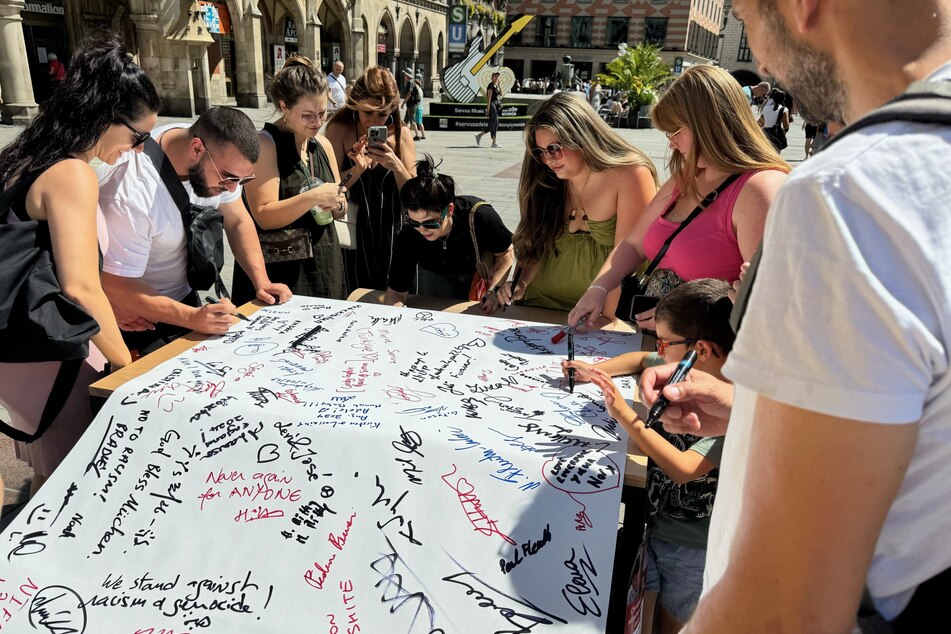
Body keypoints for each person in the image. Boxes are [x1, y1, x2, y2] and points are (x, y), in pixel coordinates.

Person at [639, 0, 951, 631]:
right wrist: (754, 413)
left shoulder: (848, 197)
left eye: (743, 12)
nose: (754, 47)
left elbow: (783, 610)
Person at [0, 37, 159, 492]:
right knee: (72, 480)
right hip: (53, 351)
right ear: (103, 117)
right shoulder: (72, 174)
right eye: (137, 136)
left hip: (21, 343)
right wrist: (126, 364)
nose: (138, 150)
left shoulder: (27, 158)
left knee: (48, 468)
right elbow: (81, 288)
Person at [568, 279, 735, 634]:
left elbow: (685, 469)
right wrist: (596, 371)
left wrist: (627, 418)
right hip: (656, 523)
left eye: (664, 342)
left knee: (674, 620)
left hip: (692, 546)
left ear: (700, 349)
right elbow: (643, 358)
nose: (659, 349)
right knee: (641, 609)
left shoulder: (734, 406)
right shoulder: (686, 366)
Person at [569, 65, 789, 330]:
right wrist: (599, 287)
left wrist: (682, 316)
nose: (671, 143)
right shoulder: (688, 174)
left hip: (703, 358)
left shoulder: (759, 189)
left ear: (709, 125)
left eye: (675, 131)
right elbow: (634, 244)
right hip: (660, 345)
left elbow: (766, 305)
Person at [97, 106, 292, 357]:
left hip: (186, 300)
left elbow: (238, 220)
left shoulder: (221, 159)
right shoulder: (131, 191)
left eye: (241, 181)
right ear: (197, 148)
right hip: (136, 315)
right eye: (228, 178)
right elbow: (117, 282)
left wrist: (261, 281)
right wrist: (193, 318)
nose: (231, 188)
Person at [497, 91, 657, 315]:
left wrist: (606, 323)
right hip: (539, 305)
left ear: (581, 137)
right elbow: (538, 241)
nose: (548, 159)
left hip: (595, 314)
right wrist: (520, 284)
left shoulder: (630, 174)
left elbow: (628, 256)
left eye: (554, 148)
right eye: (540, 152)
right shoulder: (547, 179)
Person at [231, 56, 348, 305]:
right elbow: (263, 214)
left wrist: (337, 204)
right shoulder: (264, 145)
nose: (317, 122)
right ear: (284, 106)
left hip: (323, 262)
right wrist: (315, 197)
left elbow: (341, 202)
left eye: (322, 113)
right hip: (281, 272)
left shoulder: (322, 144)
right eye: (307, 115)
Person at [325, 66, 417, 291]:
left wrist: (395, 165)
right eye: (368, 112)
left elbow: (415, 195)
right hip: (355, 231)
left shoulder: (401, 134)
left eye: (383, 114)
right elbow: (332, 190)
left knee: (396, 297)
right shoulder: (339, 130)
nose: (374, 121)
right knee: (356, 292)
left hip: (394, 230)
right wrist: (356, 168)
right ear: (355, 106)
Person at [383, 155, 513, 313]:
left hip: (475, 277)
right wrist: (396, 311)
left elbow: (506, 254)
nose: (422, 230)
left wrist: (494, 289)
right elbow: (395, 292)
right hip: (434, 277)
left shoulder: (479, 215)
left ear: (449, 210)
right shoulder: (410, 232)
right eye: (414, 222)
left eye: (430, 222)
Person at [475, 71, 503, 148]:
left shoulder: (495, 85)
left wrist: (499, 85)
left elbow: (501, 94)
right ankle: (494, 142)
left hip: (496, 105)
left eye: (497, 76)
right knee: (494, 123)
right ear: (492, 77)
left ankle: (479, 135)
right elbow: (489, 98)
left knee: (494, 123)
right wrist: (488, 109)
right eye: (495, 76)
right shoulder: (490, 86)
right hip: (492, 105)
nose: (496, 78)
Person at [401, 69, 422, 140]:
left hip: (411, 105)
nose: (404, 76)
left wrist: (403, 102)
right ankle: (403, 134)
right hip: (411, 105)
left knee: (412, 121)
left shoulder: (410, 82)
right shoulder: (412, 82)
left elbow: (409, 93)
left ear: (407, 75)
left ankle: (417, 135)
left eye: (405, 74)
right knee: (405, 121)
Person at [414, 73, 427, 141]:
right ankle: (422, 134)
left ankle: (422, 135)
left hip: (418, 107)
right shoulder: (420, 90)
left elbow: (417, 99)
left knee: (418, 122)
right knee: (418, 122)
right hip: (420, 107)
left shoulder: (418, 90)